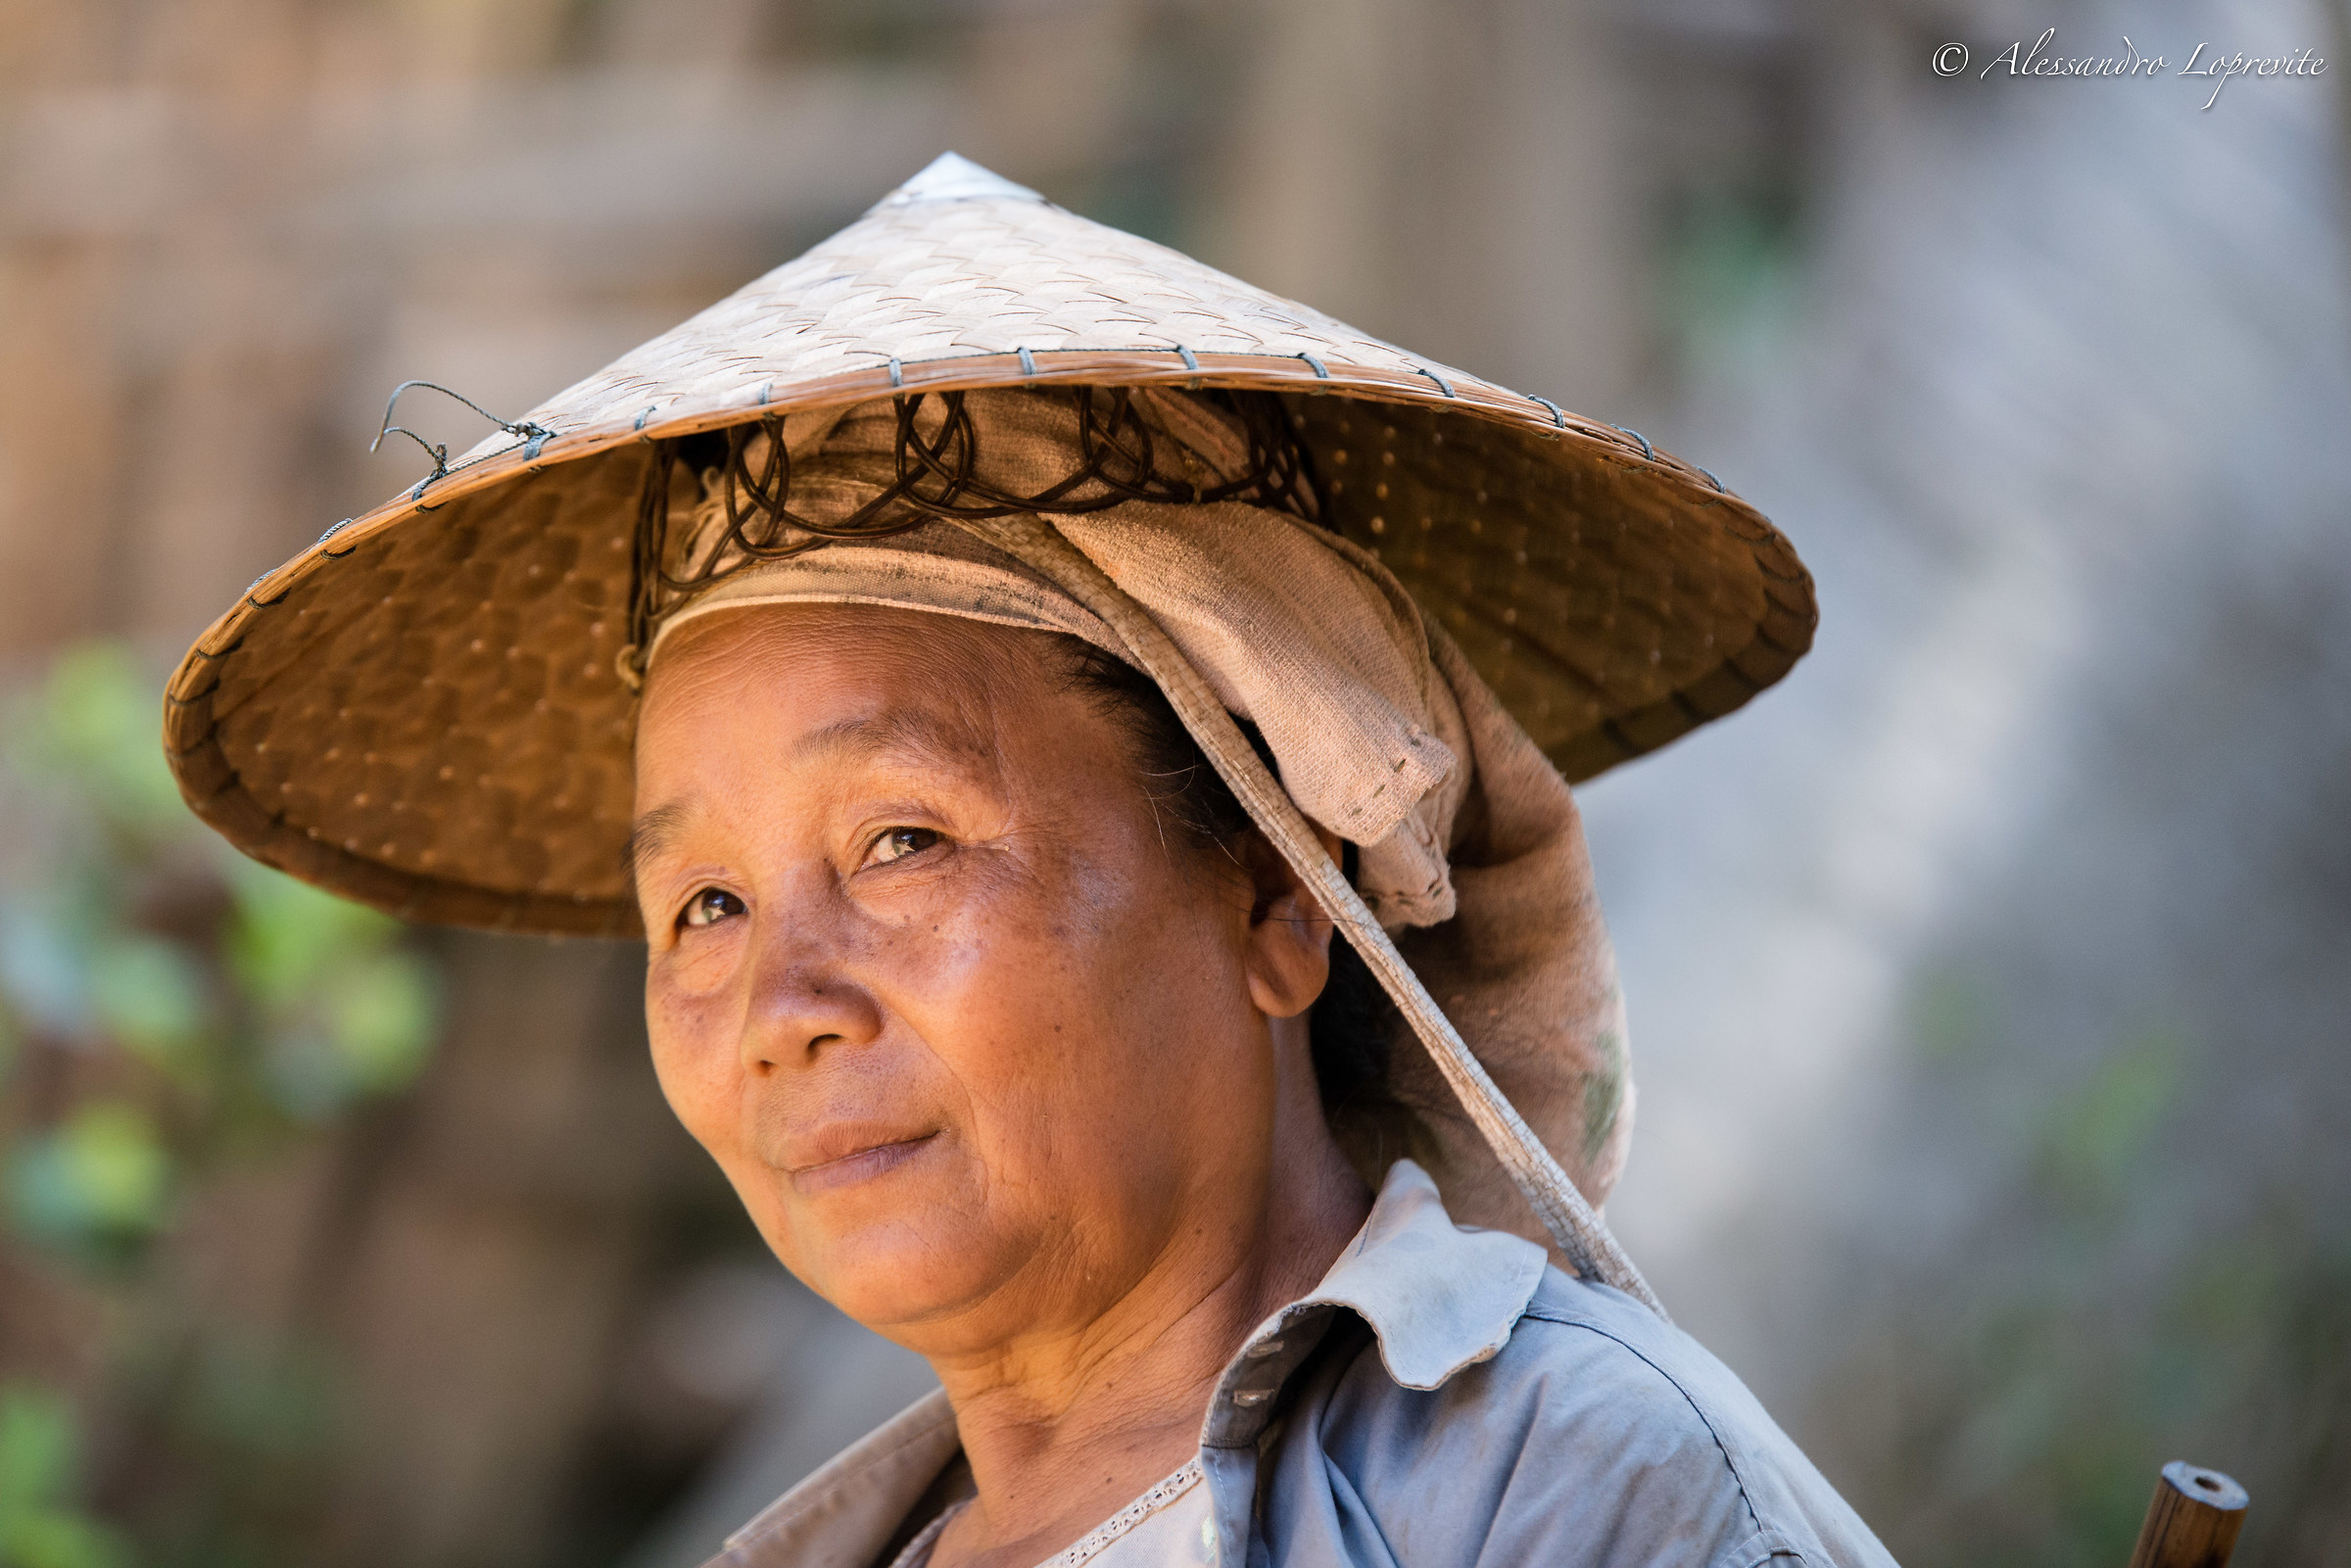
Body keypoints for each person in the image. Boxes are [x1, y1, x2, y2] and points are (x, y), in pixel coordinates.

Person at [166, 155, 1895, 1567]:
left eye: (902, 841)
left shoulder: (1579, 1490)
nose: (781, 1006)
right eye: (701, 905)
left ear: (1280, 898)